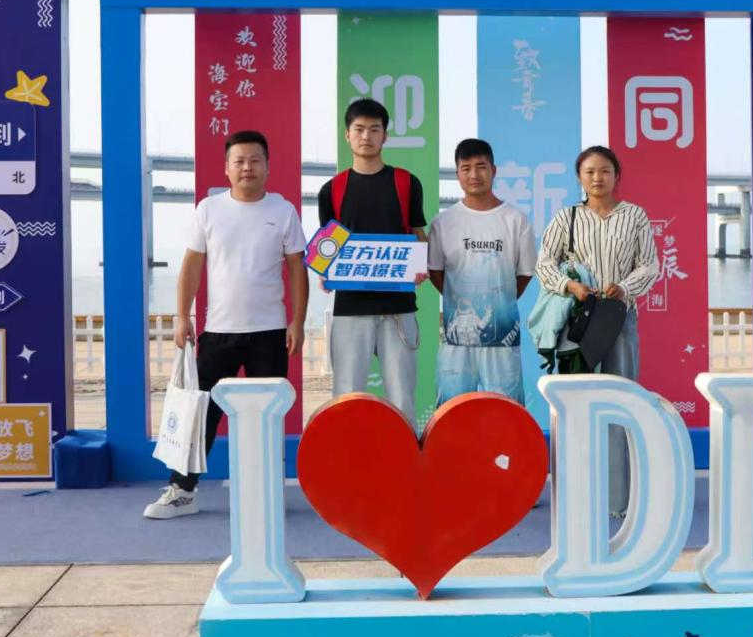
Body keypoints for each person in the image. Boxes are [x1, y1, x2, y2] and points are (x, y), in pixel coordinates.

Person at [144, 131, 308, 519]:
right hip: (218, 333)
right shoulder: (209, 210)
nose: (247, 167)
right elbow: (191, 266)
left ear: (267, 166)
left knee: (267, 418)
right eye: (239, 161)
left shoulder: (283, 211)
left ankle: (267, 493)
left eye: (255, 160)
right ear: (227, 168)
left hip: (269, 333)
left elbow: (297, 271)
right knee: (200, 415)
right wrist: (182, 317)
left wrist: (298, 322)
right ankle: (183, 491)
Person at [535, 145, 660, 519]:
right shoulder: (567, 217)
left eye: (604, 171)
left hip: (618, 317)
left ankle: (619, 500)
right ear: (579, 177)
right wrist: (569, 286)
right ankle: (576, 496)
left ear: (616, 175)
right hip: (579, 320)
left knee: (622, 402)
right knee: (577, 403)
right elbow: (544, 263)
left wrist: (624, 287)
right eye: (589, 171)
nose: (597, 178)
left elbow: (649, 265)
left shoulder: (635, 216)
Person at [317, 99, 427, 425]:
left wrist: (419, 262)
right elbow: (327, 246)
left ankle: (404, 455)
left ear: (385, 136)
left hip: (398, 307)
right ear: (347, 135)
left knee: (402, 395)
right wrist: (325, 271)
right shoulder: (332, 190)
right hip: (350, 307)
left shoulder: (406, 183)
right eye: (359, 129)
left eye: (374, 129)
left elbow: (417, 233)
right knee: (347, 393)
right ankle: (347, 454)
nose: (366, 136)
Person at [428, 138, 536, 405]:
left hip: (502, 337)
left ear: (493, 170)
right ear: (458, 174)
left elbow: (524, 274)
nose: (474, 175)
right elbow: (436, 272)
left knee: (505, 410)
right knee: (452, 409)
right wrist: (461, 300)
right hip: (454, 339)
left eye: (481, 167)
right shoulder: (443, 222)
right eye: (466, 169)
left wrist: (499, 302)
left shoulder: (515, 219)